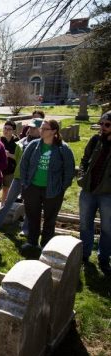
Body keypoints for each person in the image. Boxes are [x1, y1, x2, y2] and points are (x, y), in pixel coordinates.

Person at [20, 119, 75, 250]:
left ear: (54, 131)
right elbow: (23, 165)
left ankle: (46, 245)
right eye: (41, 128)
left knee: (50, 219)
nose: (41, 131)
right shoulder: (33, 145)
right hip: (33, 187)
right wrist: (25, 183)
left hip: (53, 190)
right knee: (33, 217)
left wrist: (62, 188)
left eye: (45, 129)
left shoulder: (63, 149)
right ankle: (32, 242)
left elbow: (69, 170)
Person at [0, 118, 42, 232]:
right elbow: (19, 159)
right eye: (30, 127)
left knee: (30, 204)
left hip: (32, 178)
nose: (31, 129)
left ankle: (26, 228)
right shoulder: (22, 142)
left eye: (34, 128)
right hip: (18, 176)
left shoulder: (42, 144)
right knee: (8, 201)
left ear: (40, 129)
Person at [78, 111, 111, 275]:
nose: (102, 127)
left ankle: (104, 259)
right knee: (85, 224)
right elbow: (84, 160)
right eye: (101, 124)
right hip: (89, 190)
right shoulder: (95, 140)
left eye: (107, 125)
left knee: (107, 228)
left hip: (108, 194)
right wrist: (82, 177)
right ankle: (84, 255)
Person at [0, 120, 19, 211]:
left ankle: (2, 207)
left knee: (6, 189)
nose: (6, 130)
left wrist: (9, 155)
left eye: (9, 129)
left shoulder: (18, 142)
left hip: (11, 170)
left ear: (13, 131)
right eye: (5, 128)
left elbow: (20, 157)